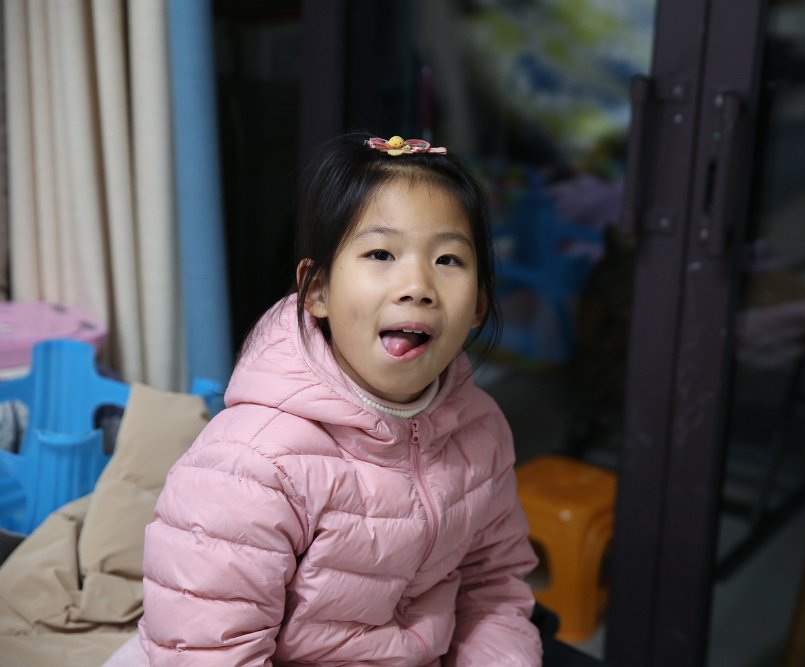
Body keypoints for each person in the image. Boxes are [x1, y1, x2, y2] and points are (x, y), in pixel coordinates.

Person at [104, 133, 543, 666]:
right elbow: (209, 651)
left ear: (478, 305)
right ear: (316, 291)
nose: (417, 286)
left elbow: (493, 588)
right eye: (380, 253)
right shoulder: (252, 463)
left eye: (448, 259)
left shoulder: (481, 430)